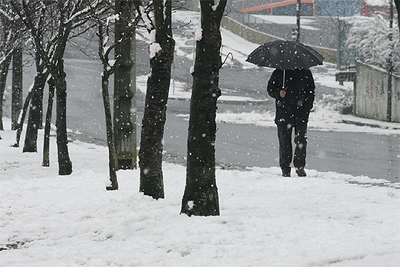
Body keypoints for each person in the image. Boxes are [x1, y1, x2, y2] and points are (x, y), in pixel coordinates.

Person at [267, 68, 315, 177]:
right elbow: (270, 89)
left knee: (301, 141)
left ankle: (299, 167)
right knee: (284, 143)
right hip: (284, 112)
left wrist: (307, 107)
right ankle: (285, 169)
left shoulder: (305, 72)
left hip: (301, 113)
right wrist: (279, 93)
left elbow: (311, 90)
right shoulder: (279, 72)